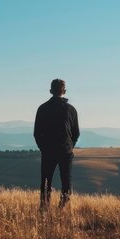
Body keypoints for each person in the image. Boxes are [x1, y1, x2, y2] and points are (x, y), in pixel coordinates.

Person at [34, 79, 80, 210]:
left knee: (46, 182)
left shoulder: (42, 108)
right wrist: (70, 146)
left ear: (50, 91)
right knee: (66, 182)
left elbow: (37, 133)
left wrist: (43, 148)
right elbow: (76, 133)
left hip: (48, 152)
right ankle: (62, 209)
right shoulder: (71, 110)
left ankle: (44, 209)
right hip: (66, 151)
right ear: (64, 91)